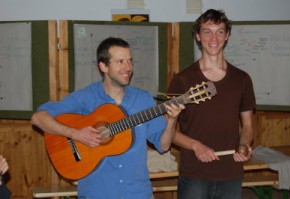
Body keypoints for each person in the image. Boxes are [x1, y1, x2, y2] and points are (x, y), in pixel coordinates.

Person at [31, 37, 184, 199]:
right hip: (97, 193)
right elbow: (38, 118)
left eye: (130, 61)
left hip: (137, 193)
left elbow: (164, 145)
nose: (128, 67)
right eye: (120, 62)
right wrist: (74, 133)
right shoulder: (87, 97)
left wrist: (172, 120)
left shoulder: (143, 100)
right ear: (103, 66)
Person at [167, 9, 256, 199]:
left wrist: (245, 146)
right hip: (194, 173)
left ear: (227, 35)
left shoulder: (242, 79)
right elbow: (167, 131)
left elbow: (248, 126)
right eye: (207, 31)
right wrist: (196, 146)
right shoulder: (182, 80)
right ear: (198, 36)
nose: (213, 38)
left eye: (220, 31)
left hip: (231, 171)